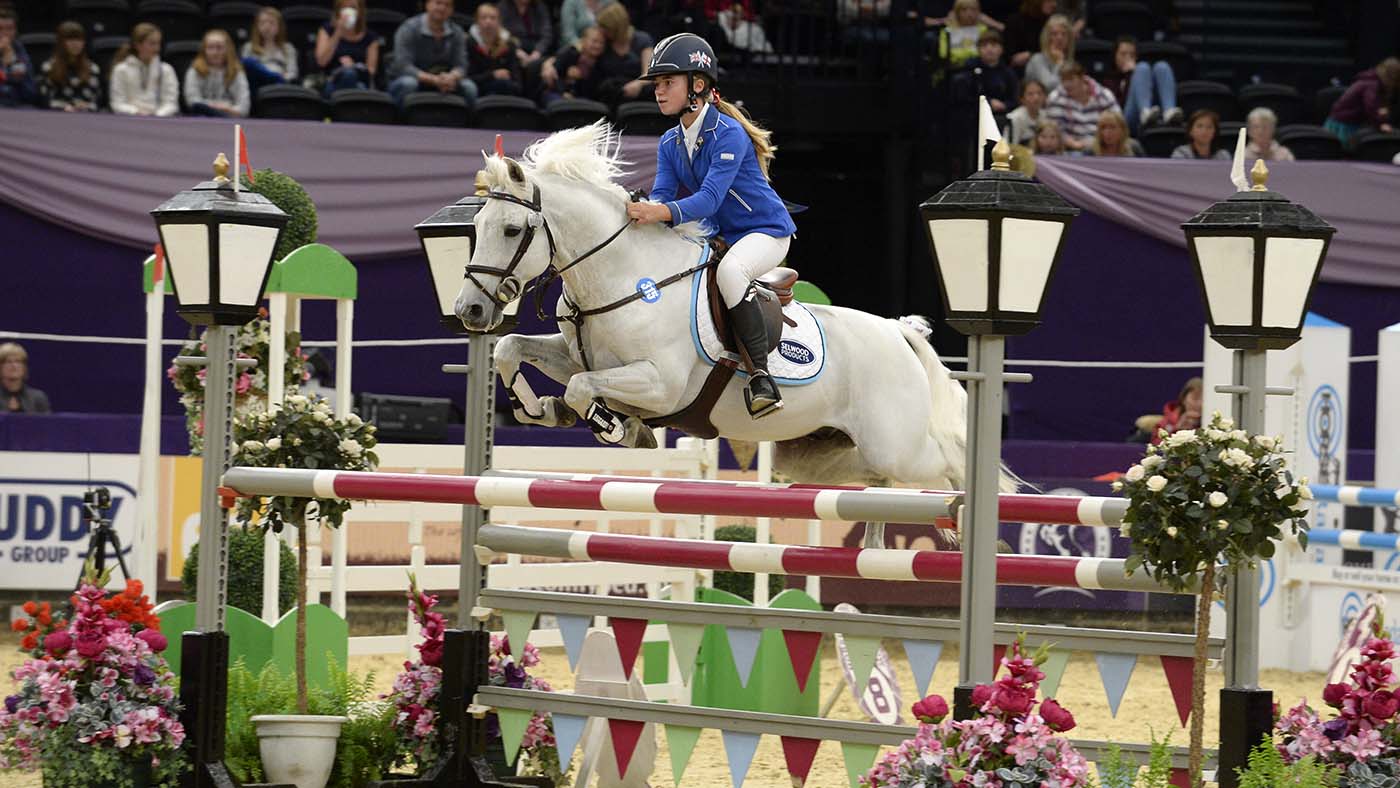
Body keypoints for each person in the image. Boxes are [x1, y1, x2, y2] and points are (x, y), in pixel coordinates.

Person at [628, 34, 797, 419]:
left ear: (698, 86)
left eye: (668, 82)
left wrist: (656, 213)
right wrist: (638, 210)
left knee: (732, 273)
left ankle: (761, 378)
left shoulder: (729, 133)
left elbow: (707, 200)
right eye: (657, 84)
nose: (659, 91)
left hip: (765, 231)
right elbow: (663, 195)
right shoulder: (670, 141)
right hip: (721, 234)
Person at [389, 0, 476, 107]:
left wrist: (452, 77)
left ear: (452, 10)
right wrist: (433, 80)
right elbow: (403, 66)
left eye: (447, 5)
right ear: (427, 5)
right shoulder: (408, 29)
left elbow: (462, 65)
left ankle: (467, 123)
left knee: (469, 87)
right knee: (408, 84)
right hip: (412, 78)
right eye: (438, 3)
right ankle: (397, 122)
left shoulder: (457, 32)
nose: (442, 8)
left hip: (444, 80)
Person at [1104, 35, 1180, 133]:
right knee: (1142, 67)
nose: (1127, 58)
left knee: (1162, 67)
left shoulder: (1141, 75)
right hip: (1125, 119)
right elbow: (1116, 106)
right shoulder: (1109, 79)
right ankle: (1145, 112)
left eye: (1132, 55)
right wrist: (1129, 75)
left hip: (1153, 114)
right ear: (1115, 55)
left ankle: (1169, 111)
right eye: (1123, 54)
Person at [1045, 61, 1119, 152]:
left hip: (1104, 144)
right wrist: (1074, 144)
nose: (1067, 84)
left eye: (1071, 79)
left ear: (1082, 78)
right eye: (1063, 80)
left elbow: (1118, 124)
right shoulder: (1055, 98)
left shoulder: (1104, 95)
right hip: (1070, 148)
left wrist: (1099, 142)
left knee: (1133, 145)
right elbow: (1054, 130)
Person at [109, 23, 179, 116]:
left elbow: (171, 103)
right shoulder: (121, 70)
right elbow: (117, 103)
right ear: (137, 45)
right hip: (129, 120)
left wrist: (158, 115)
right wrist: (136, 112)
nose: (157, 48)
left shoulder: (166, 70)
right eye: (152, 43)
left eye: (159, 43)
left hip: (160, 122)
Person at [1326, 57, 1399, 146]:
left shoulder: (1372, 80)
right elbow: (1370, 106)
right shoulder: (1371, 84)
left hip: (1348, 122)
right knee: (1345, 154)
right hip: (1344, 125)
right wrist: (1380, 124)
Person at [315, 0, 381, 97]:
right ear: (338, 11)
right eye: (344, 8)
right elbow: (321, 61)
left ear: (360, 11)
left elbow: (371, 71)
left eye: (353, 8)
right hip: (332, 82)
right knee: (349, 76)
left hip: (359, 81)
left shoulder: (371, 37)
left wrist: (354, 67)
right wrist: (338, 33)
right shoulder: (327, 30)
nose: (348, 12)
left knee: (354, 79)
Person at [595, 4, 653, 106]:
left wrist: (637, 84)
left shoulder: (642, 40)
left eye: (605, 28)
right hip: (612, 92)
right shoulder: (604, 42)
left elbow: (649, 73)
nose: (601, 31)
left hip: (637, 88)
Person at [184, 29, 250, 117]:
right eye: (210, 48)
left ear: (228, 49)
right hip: (202, 120)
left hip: (230, 121)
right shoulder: (195, 70)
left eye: (219, 47)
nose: (215, 52)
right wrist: (223, 107)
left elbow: (244, 107)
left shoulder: (236, 72)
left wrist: (225, 110)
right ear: (204, 50)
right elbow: (192, 102)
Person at [40, 21, 102, 112]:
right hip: (57, 117)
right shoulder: (49, 68)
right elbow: (45, 100)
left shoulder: (93, 69)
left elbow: (97, 101)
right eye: (70, 40)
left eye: (79, 40)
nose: (76, 44)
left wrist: (86, 106)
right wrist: (64, 107)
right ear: (61, 43)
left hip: (87, 118)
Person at [953, 30, 1017, 112]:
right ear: (978, 50)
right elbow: (965, 97)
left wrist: (1004, 105)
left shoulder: (1008, 73)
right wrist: (988, 102)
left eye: (993, 45)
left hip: (1002, 114)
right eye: (984, 45)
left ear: (1001, 49)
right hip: (974, 114)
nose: (989, 49)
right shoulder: (969, 69)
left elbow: (1014, 99)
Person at [468, 3, 523, 97]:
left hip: (505, 88)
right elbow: (468, 78)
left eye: (493, 18)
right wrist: (492, 75)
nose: (488, 21)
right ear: (477, 21)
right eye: (484, 18)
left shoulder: (509, 45)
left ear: (499, 22)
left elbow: (517, 80)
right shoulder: (469, 44)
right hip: (479, 90)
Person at [542, 25, 605, 103]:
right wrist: (564, 89)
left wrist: (581, 77)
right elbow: (554, 76)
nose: (597, 46)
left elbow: (595, 91)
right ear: (583, 41)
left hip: (585, 99)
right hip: (557, 93)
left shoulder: (601, 64)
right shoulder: (570, 53)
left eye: (601, 43)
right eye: (594, 41)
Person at [241, 7, 298, 93]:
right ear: (257, 26)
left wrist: (284, 77)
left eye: (271, 23)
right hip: (257, 85)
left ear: (279, 27)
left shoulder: (288, 48)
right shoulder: (249, 47)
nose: (267, 27)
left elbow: (292, 72)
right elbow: (243, 73)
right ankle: (273, 77)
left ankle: (274, 78)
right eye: (262, 23)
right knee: (248, 63)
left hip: (280, 85)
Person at [500, 0, 555, 73]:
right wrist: (516, 51)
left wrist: (537, 52)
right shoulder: (503, 7)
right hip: (515, 49)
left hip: (538, 49)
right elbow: (500, 33)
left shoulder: (539, 6)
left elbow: (547, 34)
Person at [1024, 13, 1072, 93]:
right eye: (1054, 34)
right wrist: (1059, 63)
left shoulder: (1069, 59)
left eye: (1064, 34)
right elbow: (1050, 87)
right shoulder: (1037, 59)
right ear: (1047, 37)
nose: (1060, 38)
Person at [0, 7, 39, 108]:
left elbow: (30, 93)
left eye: (9, 29)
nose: (4, 33)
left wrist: (13, 62)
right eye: (0, 28)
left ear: (15, 31)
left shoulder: (20, 52)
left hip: (17, 108)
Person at [1145, 377, 1202, 445]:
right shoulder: (1167, 422)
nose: (1200, 404)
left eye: (1203, 399)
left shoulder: (1212, 424)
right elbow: (1157, 445)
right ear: (1183, 399)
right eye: (1195, 398)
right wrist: (1176, 430)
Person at [1003, 0, 1055, 69]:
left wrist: (1031, 55)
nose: (1054, 4)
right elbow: (1011, 58)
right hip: (1020, 69)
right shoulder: (1014, 21)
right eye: (1049, 1)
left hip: (1048, 65)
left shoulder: (1052, 22)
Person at [1, 343, 51, 414]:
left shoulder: (38, 398)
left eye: (18, 361)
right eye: (8, 361)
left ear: (24, 367)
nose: (14, 365)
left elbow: (47, 424)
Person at [940, 0, 989, 69]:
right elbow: (943, 54)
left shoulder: (983, 29)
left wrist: (962, 54)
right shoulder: (947, 31)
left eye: (973, 9)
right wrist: (970, 54)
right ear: (957, 12)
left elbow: (987, 51)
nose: (969, 13)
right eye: (964, 9)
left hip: (979, 67)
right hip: (955, 68)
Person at [1007, 78, 1047, 144]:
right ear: (1022, 98)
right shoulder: (1014, 118)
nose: (1036, 97)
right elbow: (1010, 146)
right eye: (1030, 94)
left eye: (1039, 93)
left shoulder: (1045, 116)